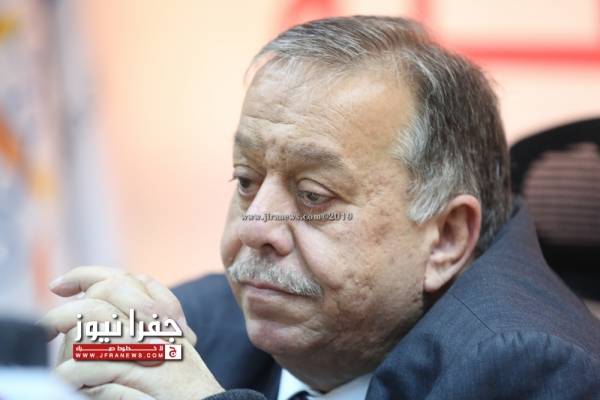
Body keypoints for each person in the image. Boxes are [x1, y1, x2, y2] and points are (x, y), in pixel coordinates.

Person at [40, 16, 600, 400]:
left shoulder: (523, 366)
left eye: (313, 195)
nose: (256, 227)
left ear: (446, 237)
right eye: (246, 180)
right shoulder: (200, 326)